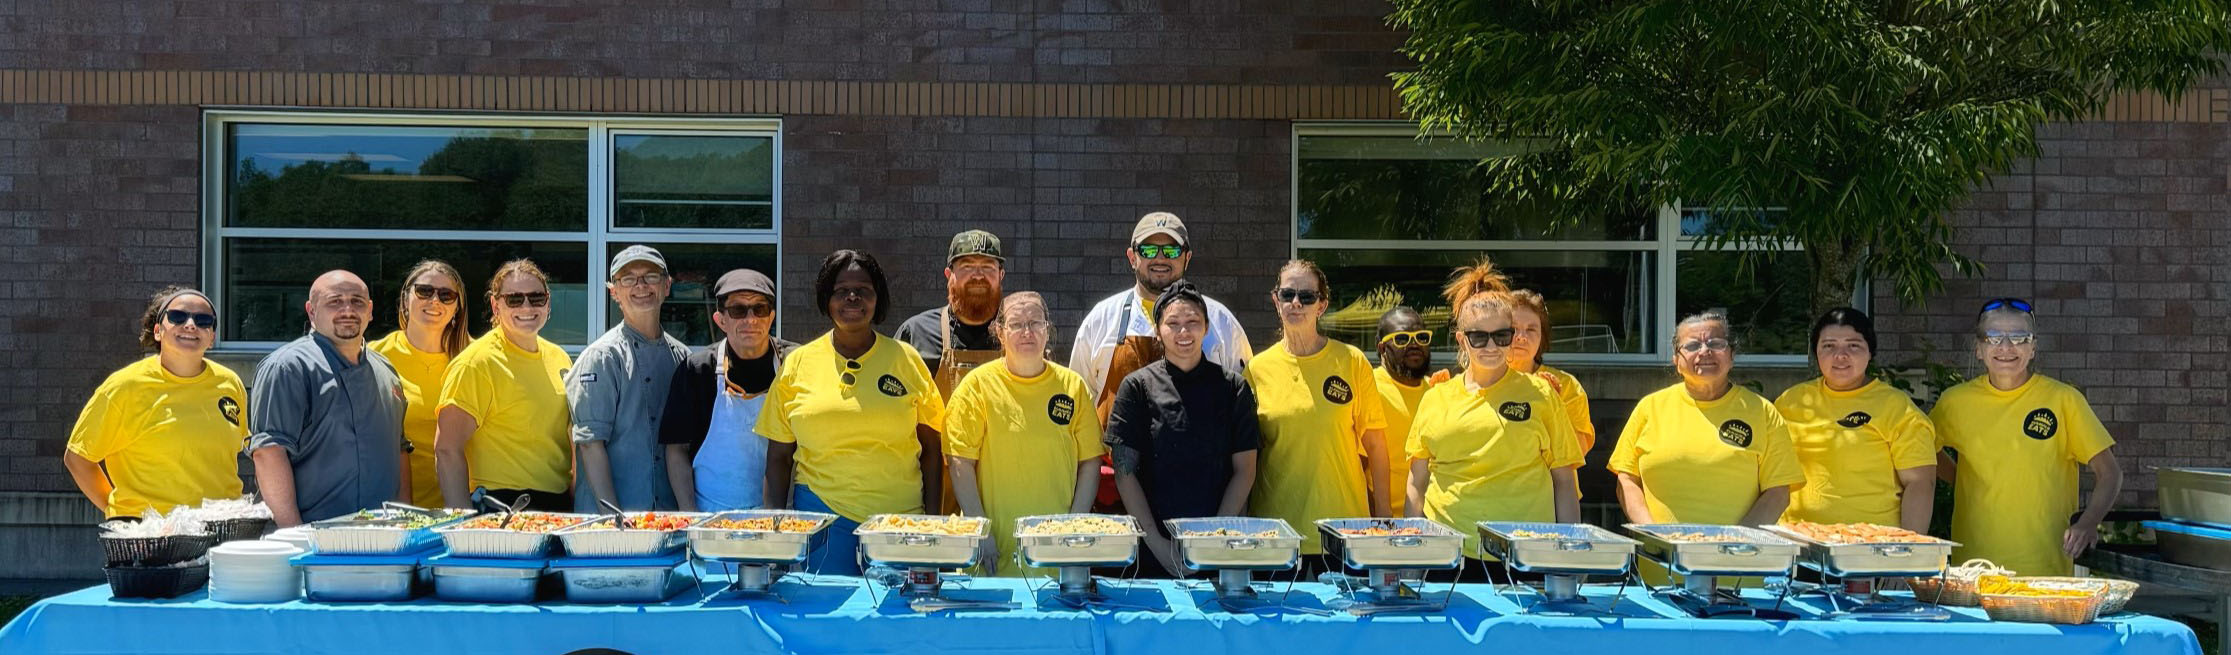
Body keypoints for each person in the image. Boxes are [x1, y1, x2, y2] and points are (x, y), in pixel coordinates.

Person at [758, 250, 946, 575]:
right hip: (824, 522)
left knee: (900, 621)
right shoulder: (798, 363)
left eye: (864, 290)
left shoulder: (907, 360)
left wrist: (931, 527)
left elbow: (931, 451)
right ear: (826, 299)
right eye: (840, 290)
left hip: (899, 523)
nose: (852, 297)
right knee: (826, 622)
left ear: (878, 299)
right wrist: (775, 536)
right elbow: (778, 457)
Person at [1405, 260, 1583, 557]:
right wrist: (1411, 552)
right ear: (1462, 340)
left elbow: (1564, 481)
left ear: (1512, 336)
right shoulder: (1436, 397)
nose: (1491, 346)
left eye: (1501, 336)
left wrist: (1567, 555)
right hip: (1448, 553)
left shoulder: (1542, 394)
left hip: (1524, 552)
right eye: (1478, 337)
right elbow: (1416, 482)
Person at [1933, 298, 2122, 576]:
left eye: (2020, 338)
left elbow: (2110, 473)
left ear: (2033, 348)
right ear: (1978, 349)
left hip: (2046, 567)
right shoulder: (1955, 402)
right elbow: (1920, 454)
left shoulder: (2063, 400)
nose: (2006, 347)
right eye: (1994, 337)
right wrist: (1961, 476)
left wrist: (2088, 522)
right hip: (1973, 567)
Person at [1105, 281, 1261, 578]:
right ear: (1158, 330)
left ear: (1206, 328)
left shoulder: (1233, 388)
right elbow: (1124, 473)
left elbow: (1246, 470)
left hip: (1219, 550)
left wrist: (1211, 540)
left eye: (1192, 323)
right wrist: (1160, 547)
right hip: (1152, 552)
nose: (1183, 332)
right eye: (1173, 324)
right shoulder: (1136, 387)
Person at [945, 292, 1103, 576]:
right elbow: (960, 462)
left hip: (1056, 558)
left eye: (1036, 323)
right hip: (993, 556)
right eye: (1016, 324)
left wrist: (1072, 527)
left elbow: (1090, 462)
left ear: (1048, 328)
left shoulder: (1073, 387)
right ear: (1000, 332)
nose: (1027, 332)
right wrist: (981, 531)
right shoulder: (976, 386)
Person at [1245, 260, 1390, 563]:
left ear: (1322, 305)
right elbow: (1248, 455)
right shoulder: (1257, 369)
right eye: (1287, 294)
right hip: (1278, 534)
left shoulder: (1352, 361)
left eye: (1307, 296)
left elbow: (1376, 447)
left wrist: (1385, 520)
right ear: (1276, 300)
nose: (1296, 303)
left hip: (1346, 531)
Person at [63, 287, 248, 519]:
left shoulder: (230, 383)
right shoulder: (125, 386)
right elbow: (78, 458)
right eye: (178, 317)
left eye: (203, 320)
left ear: (211, 338)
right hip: (151, 539)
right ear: (158, 331)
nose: (191, 324)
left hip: (222, 531)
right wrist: (121, 514)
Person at [1611, 310, 1805, 526]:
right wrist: (1654, 536)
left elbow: (1778, 492)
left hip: (1736, 555)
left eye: (1716, 344)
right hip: (1660, 556)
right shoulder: (1650, 408)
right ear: (1676, 360)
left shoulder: (1763, 412)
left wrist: (1734, 542)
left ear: (1731, 355)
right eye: (1692, 346)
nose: (1705, 351)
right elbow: (1626, 481)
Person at [246, 271, 411, 526]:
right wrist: (296, 535)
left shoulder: (386, 371)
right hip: (313, 540)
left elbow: (398, 451)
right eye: (335, 301)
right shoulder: (287, 367)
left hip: (384, 541)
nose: (347, 310)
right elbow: (269, 454)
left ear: (370, 310)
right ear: (311, 311)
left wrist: (404, 525)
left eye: (357, 301)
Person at [1071, 212, 1253, 419]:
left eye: (1171, 250)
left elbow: (1243, 403)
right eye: (1148, 250)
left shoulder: (1222, 321)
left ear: (1187, 258)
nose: (1160, 258)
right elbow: (1079, 402)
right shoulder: (1101, 320)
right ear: (1132, 257)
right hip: (1116, 451)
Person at [1775, 308, 1936, 532]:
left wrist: (1909, 550)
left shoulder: (1897, 407)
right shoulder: (1790, 402)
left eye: (1853, 345)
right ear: (1816, 352)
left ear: (1870, 352)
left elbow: (1919, 483)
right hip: (1799, 542)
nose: (1840, 355)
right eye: (1829, 346)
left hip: (1871, 546)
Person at [435, 259, 574, 512]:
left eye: (536, 298)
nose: (526, 306)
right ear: (495, 305)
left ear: (548, 302)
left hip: (558, 504)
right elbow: (446, 450)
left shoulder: (559, 358)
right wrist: (464, 524)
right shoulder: (476, 363)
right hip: (501, 506)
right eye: (514, 299)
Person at [660, 269, 796, 513]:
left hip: (782, 520)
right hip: (710, 519)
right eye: (738, 310)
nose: (750, 319)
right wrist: (690, 515)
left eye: (760, 309)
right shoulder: (698, 370)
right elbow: (676, 449)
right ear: (720, 319)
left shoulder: (795, 364)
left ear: (771, 316)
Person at [569, 246, 690, 512]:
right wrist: (615, 521)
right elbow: (590, 446)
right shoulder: (602, 357)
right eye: (628, 278)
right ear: (614, 292)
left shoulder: (683, 358)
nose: (641, 286)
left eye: (651, 276)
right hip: (608, 530)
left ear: (667, 285)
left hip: (668, 521)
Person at [893, 230, 1005, 513]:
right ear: (949, 274)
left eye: (987, 267)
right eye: (967, 267)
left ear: (1001, 274)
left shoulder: (1019, 335)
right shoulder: (916, 333)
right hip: (934, 490)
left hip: (1003, 483)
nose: (978, 275)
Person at [369, 260, 471, 508]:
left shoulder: (475, 358)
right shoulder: (373, 358)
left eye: (446, 295)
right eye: (424, 291)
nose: (434, 300)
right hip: (391, 506)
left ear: (457, 308)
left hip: (464, 505)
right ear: (405, 299)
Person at [1371, 306, 1448, 517]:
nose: (1414, 344)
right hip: (1384, 524)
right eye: (1402, 338)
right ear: (1381, 348)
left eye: (1421, 337)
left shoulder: (1437, 392)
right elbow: (1357, 466)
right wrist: (1378, 521)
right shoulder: (1368, 388)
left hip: (1431, 524)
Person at [1505, 289, 1597, 465]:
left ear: (1542, 337)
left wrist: (1553, 407)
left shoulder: (1567, 385)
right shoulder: (1485, 381)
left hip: (1555, 488)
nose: (1522, 337)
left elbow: (1578, 450)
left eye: (1531, 329)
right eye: (1513, 329)